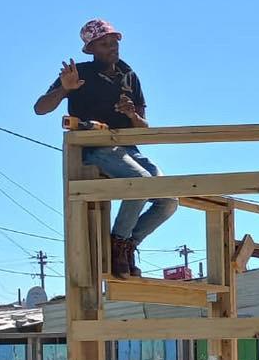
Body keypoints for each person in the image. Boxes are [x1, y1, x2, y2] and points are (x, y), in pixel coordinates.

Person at [34, 18, 177, 278]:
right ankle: (118, 245)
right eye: (104, 44)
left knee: (169, 200)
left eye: (114, 42)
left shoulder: (129, 76)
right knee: (141, 183)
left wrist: (132, 115)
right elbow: (40, 108)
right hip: (94, 147)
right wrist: (64, 89)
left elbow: (144, 128)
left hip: (128, 148)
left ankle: (125, 245)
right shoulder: (79, 73)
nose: (112, 47)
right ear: (91, 49)